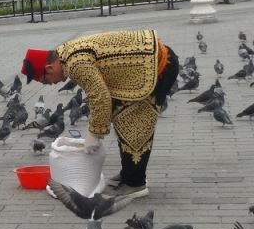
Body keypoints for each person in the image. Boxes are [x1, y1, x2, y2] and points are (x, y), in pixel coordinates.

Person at [20, 30, 179, 199]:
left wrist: (94, 134)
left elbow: (99, 96)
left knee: (134, 126)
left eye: (46, 80)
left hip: (158, 67)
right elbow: (101, 96)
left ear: (49, 68)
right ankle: (128, 175)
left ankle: (135, 184)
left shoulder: (75, 64)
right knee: (122, 120)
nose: (51, 84)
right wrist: (97, 128)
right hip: (147, 64)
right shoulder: (66, 54)